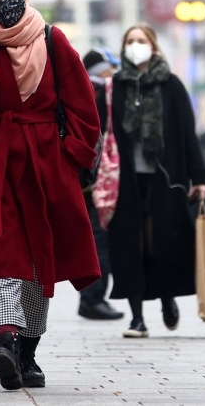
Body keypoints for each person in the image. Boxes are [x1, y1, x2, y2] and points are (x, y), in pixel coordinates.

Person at [0, 0, 101, 391]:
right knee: (1, 252)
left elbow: (83, 106)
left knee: (40, 259)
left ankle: (28, 352)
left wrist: (71, 156)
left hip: (46, 165)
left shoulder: (53, 40)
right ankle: (6, 340)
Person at [105, 24, 205, 338]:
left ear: (154, 46)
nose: (135, 46)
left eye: (141, 41)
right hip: (125, 181)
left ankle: (167, 296)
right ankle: (137, 318)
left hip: (166, 179)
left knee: (160, 245)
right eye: (130, 41)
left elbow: (188, 135)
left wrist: (200, 178)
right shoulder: (115, 87)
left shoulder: (171, 85)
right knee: (129, 248)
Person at [78, 47, 126, 321]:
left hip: (89, 178)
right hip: (97, 179)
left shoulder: (85, 90)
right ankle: (92, 298)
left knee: (96, 238)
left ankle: (92, 297)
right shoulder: (98, 93)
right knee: (100, 239)